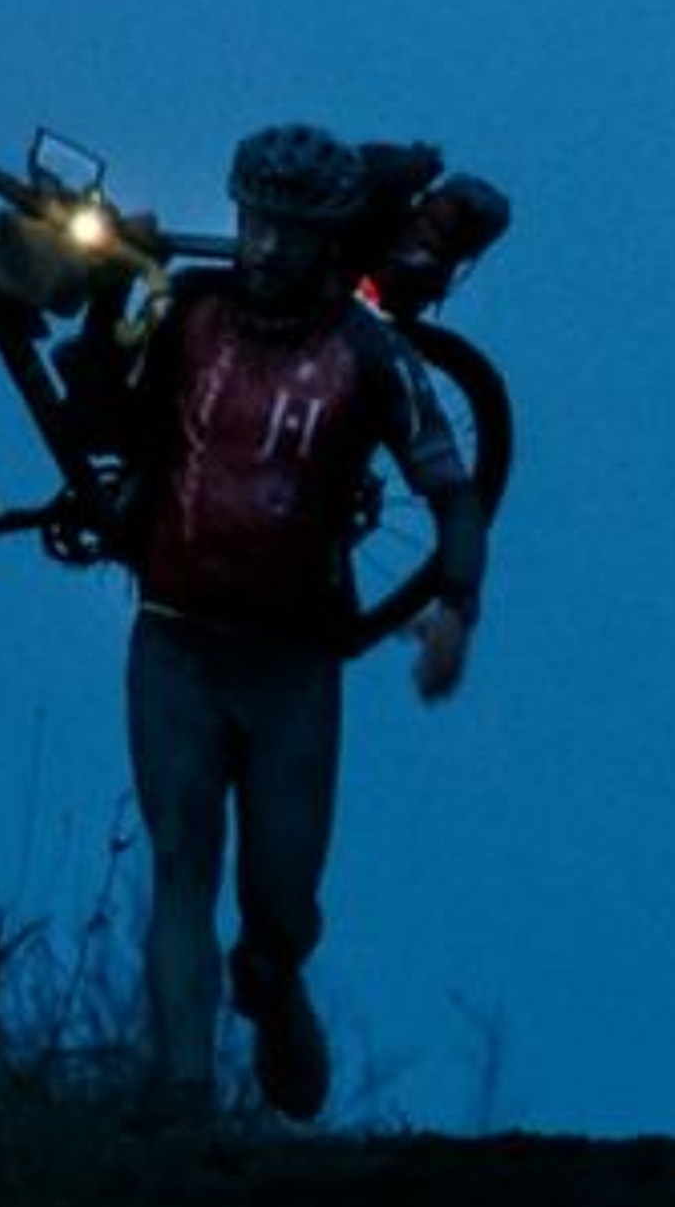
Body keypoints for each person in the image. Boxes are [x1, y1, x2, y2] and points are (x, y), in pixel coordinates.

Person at [54, 121, 490, 1125]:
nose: (267, 249)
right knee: (181, 863)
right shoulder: (186, 311)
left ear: (331, 240)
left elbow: (453, 491)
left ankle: (271, 983)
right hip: (175, 640)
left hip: (293, 666)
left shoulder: (369, 354)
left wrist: (455, 610)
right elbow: (96, 415)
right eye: (255, 223)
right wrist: (114, 292)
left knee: (279, 908)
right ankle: (185, 1090)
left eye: (293, 232)